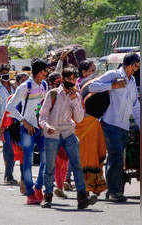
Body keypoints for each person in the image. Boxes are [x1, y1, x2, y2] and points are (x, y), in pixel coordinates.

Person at [39, 67, 97, 209]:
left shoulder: (75, 96)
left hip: (68, 132)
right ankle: (47, 197)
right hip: (52, 133)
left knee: (77, 164)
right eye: (69, 79)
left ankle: (82, 197)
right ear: (63, 79)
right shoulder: (52, 94)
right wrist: (47, 127)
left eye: (73, 79)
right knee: (50, 166)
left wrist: (75, 101)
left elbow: (79, 118)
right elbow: (43, 116)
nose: (71, 82)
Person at [88, 53, 140, 202]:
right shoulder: (113, 74)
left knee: (117, 158)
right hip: (110, 123)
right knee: (116, 155)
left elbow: (135, 105)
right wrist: (112, 85)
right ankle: (113, 191)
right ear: (129, 65)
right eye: (136, 66)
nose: (136, 69)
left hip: (124, 126)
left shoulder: (131, 81)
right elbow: (93, 86)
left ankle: (113, 190)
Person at [5, 59, 48, 204]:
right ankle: (30, 193)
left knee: (45, 159)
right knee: (28, 162)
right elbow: (10, 107)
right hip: (27, 129)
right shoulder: (25, 87)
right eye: (44, 72)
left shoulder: (43, 86)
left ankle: (38, 188)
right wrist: (24, 121)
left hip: (41, 128)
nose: (46, 74)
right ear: (39, 72)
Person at [74, 60, 108, 199]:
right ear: (84, 72)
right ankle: (84, 190)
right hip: (83, 124)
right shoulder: (83, 86)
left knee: (93, 155)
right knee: (85, 158)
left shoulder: (94, 84)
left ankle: (91, 187)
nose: (95, 73)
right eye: (92, 70)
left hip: (93, 124)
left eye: (95, 70)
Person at [0, 72, 29, 190]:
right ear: (17, 84)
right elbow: (6, 116)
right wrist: (1, 131)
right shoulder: (12, 98)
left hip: (26, 131)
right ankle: (9, 175)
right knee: (9, 155)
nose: (26, 84)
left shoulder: (32, 98)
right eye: (23, 81)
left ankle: (24, 180)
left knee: (24, 156)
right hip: (11, 131)